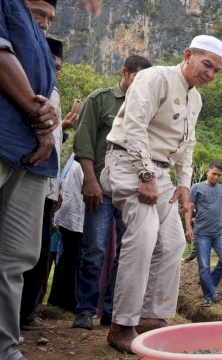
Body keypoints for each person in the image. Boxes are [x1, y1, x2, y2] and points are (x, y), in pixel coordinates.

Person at [100, 34, 222, 353]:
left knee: (172, 242)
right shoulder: (154, 77)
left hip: (162, 173)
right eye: (206, 65)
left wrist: (183, 183)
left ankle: (151, 318)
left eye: (217, 70)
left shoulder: (195, 98)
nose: (210, 74)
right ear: (188, 55)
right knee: (142, 238)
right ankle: (122, 325)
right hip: (128, 161)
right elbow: (134, 125)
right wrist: (144, 174)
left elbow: (188, 143)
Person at [0, 0, 58, 358]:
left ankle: (2, 350)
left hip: (32, 157)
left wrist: (47, 127)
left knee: (13, 258)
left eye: (50, 18)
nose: (45, 24)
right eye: (38, 14)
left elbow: (47, 105)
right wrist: (38, 113)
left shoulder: (43, 49)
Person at [71, 55, 151, 330]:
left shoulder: (149, 107)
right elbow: (83, 141)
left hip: (131, 191)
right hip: (102, 189)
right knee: (95, 248)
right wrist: (90, 180)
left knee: (128, 252)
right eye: (138, 78)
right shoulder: (100, 99)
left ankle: (111, 312)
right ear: (125, 73)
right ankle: (84, 310)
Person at [19, 35, 71, 332]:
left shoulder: (53, 91)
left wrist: (57, 188)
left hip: (47, 187)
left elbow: (52, 143)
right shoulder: (28, 88)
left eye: (59, 66)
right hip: (26, 180)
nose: (55, 69)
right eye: (51, 63)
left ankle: (25, 314)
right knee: (21, 253)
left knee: (35, 252)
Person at [185, 161, 222, 307]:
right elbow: (189, 207)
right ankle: (209, 296)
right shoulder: (197, 187)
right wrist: (188, 228)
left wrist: (218, 221)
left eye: (219, 175)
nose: (216, 177)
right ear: (208, 172)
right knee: (204, 266)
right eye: (214, 174)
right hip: (201, 234)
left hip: (218, 233)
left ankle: (210, 288)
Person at [48, 154, 85, 312]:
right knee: (72, 258)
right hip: (73, 216)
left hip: (70, 215)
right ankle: (65, 301)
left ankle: (59, 300)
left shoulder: (74, 162)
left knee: (69, 257)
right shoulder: (80, 163)